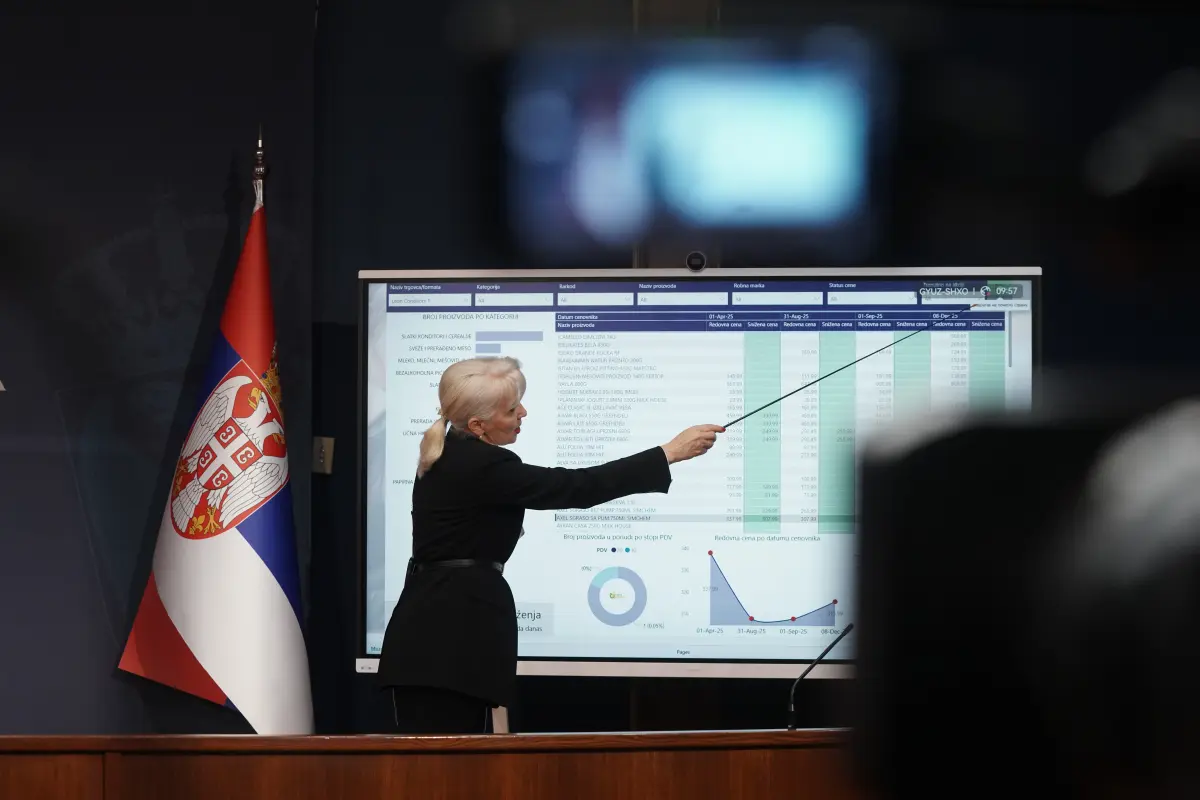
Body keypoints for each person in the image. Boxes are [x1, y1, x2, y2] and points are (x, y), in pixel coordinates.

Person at [377, 356, 723, 734]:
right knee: (445, 764)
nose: (523, 413)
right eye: (512, 409)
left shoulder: (453, 452)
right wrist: (668, 453)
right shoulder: (480, 463)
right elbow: (575, 487)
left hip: (440, 640)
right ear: (477, 425)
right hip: (446, 643)